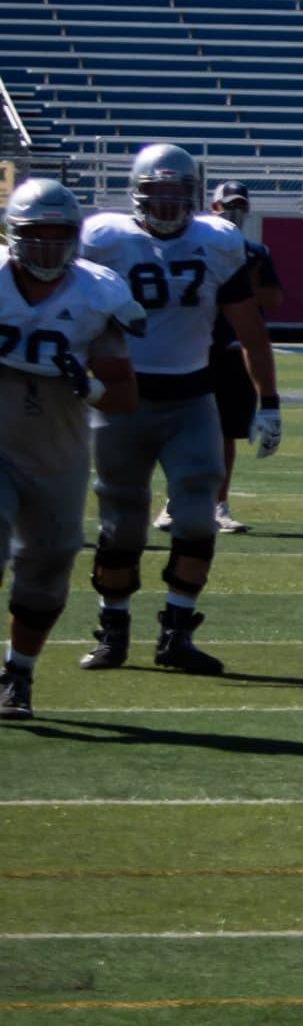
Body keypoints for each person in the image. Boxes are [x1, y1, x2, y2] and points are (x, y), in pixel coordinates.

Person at [78, 143, 282, 677]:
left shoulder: (217, 240)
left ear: (195, 197)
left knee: (197, 519)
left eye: (177, 194)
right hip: (123, 398)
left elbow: (249, 324)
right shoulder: (104, 238)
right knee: (121, 525)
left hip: (193, 395)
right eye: (156, 193)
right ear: (136, 194)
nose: (166, 205)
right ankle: (113, 627)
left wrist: (271, 400)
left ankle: (177, 631)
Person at [0, 178, 142, 720]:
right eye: (35, 235)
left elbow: (125, 398)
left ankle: (19, 673)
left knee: (51, 560)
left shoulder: (97, 293)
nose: (46, 248)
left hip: (57, 446)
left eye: (58, 236)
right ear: (14, 235)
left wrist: (92, 386)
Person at [155, 180, 278, 535]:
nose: (233, 212)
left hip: (232, 351)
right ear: (212, 208)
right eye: (227, 206)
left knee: (226, 430)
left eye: (240, 205)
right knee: (175, 429)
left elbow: (273, 299)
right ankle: (174, 500)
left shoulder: (255, 251)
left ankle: (218, 504)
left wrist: (245, 284)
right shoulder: (193, 246)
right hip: (192, 350)